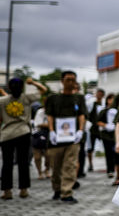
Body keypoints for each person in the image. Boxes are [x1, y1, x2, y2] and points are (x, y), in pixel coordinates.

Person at [1, 77, 48, 199]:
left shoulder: (2, 101)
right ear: (22, 87)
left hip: (7, 135)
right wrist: (32, 83)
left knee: (7, 163)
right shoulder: (26, 98)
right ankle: (23, 190)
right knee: (23, 162)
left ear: (9, 88)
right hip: (23, 133)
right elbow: (44, 89)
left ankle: (7, 191)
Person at [45, 71, 87, 203]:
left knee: (70, 165)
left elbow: (82, 115)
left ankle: (66, 192)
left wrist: (80, 130)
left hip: (72, 138)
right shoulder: (53, 98)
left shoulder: (79, 98)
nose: (70, 82)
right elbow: (50, 115)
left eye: (73, 80)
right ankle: (57, 189)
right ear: (62, 81)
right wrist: (51, 131)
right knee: (55, 166)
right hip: (56, 138)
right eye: (68, 80)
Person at [96, 93, 118, 179]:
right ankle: (110, 170)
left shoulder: (117, 110)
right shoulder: (103, 111)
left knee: (116, 153)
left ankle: (117, 169)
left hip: (115, 135)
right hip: (106, 135)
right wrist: (106, 126)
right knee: (108, 153)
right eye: (111, 99)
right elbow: (98, 121)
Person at [31, 97, 51, 180]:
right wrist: (49, 125)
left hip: (49, 136)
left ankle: (47, 170)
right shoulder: (40, 112)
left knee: (48, 155)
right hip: (38, 135)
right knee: (37, 157)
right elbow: (38, 124)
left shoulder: (53, 112)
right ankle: (39, 172)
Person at [87, 88, 105, 172]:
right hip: (93, 128)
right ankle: (90, 164)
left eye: (100, 94)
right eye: (98, 93)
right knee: (90, 147)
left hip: (102, 128)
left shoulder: (104, 104)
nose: (99, 95)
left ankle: (107, 164)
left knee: (106, 145)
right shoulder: (91, 103)